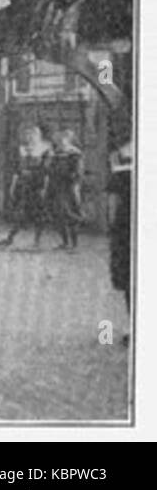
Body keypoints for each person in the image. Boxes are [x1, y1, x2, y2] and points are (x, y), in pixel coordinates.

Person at [0, 124, 51, 249]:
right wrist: (13, 185)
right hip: (24, 184)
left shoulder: (45, 149)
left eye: (33, 135)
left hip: (37, 184)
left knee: (39, 213)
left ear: (38, 136)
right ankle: (10, 238)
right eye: (27, 135)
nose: (30, 138)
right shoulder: (22, 149)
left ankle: (37, 240)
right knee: (21, 212)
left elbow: (46, 169)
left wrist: (42, 184)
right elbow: (16, 168)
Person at [106, 135, 132, 344]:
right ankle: (132, 324)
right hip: (127, 223)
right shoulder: (121, 155)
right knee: (128, 274)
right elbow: (113, 195)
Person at [46, 127, 85, 250]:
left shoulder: (75, 154)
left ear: (69, 140)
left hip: (69, 187)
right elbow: (49, 170)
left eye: (64, 139)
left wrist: (71, 180)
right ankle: (64, 242)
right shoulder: (55, 153)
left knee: (70, 213)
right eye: (60, 139)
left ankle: (74, 244)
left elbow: (78, 172)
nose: (62, 141)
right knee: (58, 214)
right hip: (56, 186)